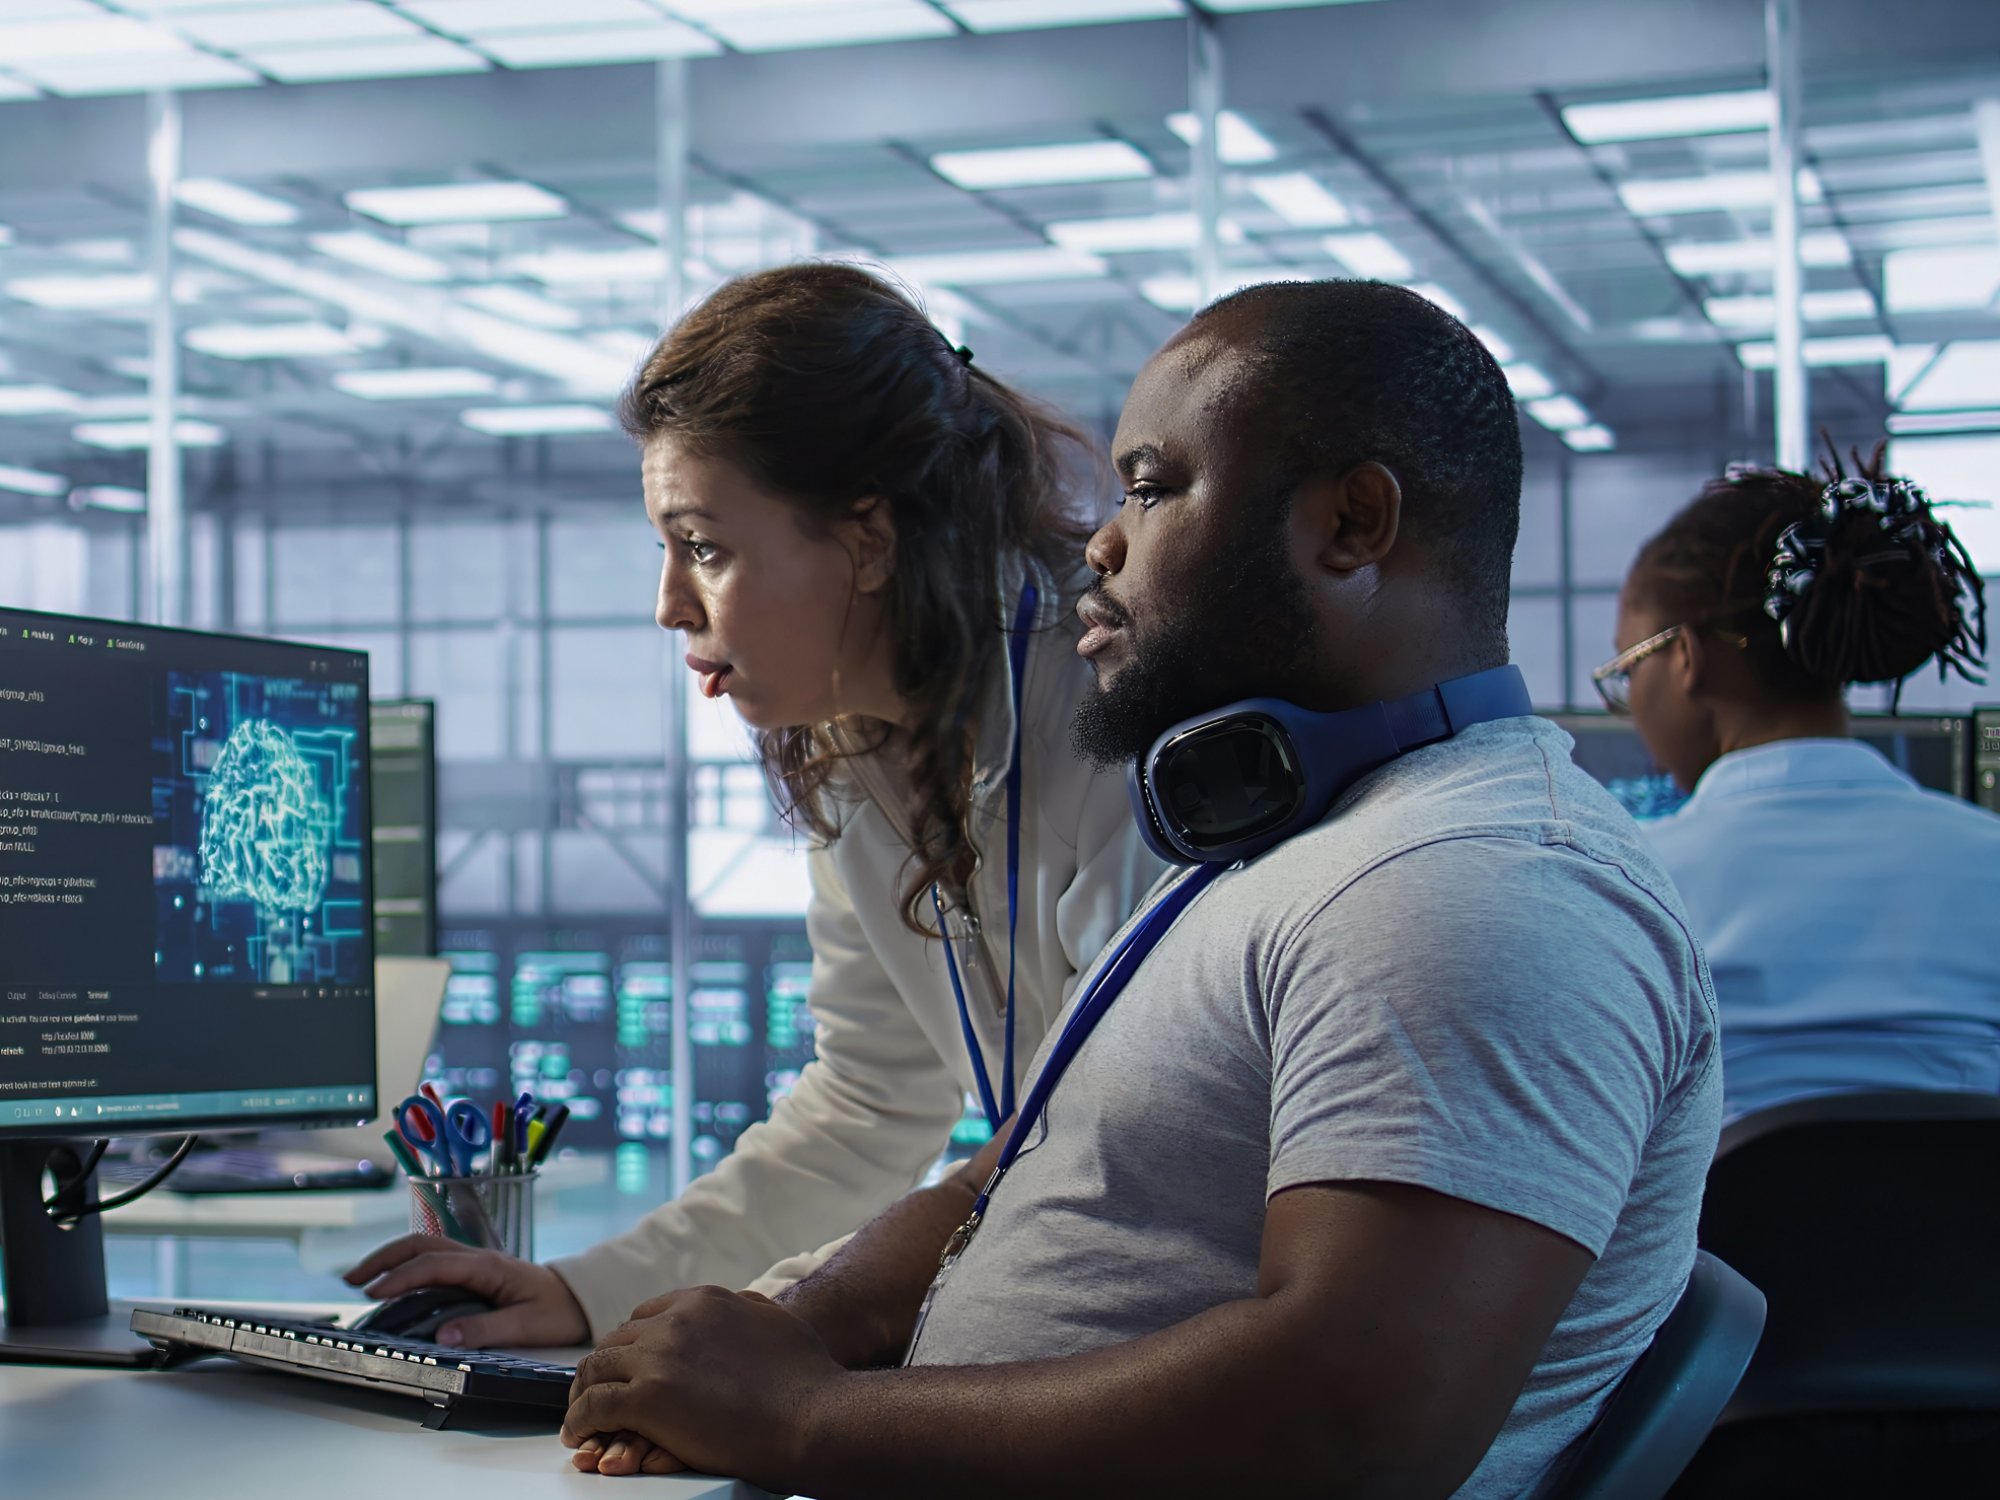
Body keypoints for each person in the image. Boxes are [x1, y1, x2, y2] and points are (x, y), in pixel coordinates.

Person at [555, 279, 1722, 1499]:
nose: (1100, 543)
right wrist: (800, 1326)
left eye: (1154, 488)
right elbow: (1002, 1174)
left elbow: (1350, 1421)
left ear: (1352, 522)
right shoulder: (1277, 851)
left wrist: (804, 1421)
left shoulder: (1478, 888)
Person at [345, 263, 1166, 1349]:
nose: (667, 604)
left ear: (867, 537)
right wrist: (591, 1293)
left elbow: (1107, 1144)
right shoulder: (857, 737)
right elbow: (868, 1104)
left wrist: (784, 1329)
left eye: (706, 548)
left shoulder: (1113, 714)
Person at [1598, 453, 1998, 1120]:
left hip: (1717, 1228)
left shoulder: (1630, 887)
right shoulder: (1989, 860)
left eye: (1627, 670)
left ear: (1686, 659)